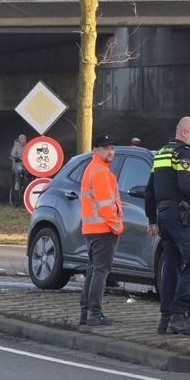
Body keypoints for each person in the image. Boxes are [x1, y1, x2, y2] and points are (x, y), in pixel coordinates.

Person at [144, 116, 190, 336]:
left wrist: (152, 219)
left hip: (165, 215)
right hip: (181, 214)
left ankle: (165, 319)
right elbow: (186, 184)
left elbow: (150, 190)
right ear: (184, 133)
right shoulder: (184, 152)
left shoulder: (162, 152)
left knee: (171, 264)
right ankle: (179, 314)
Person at [78, 133, 124, 326]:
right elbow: (106, 206)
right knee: (100, 271)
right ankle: (94, 313)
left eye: (112, 148)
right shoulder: (101, 172)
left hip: (92, 229)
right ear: (96, 151)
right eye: (106, 148)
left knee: (93, 270)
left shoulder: (93, 169)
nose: (110, 151)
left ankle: (86, 312)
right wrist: (117, 226)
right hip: (103, 229)